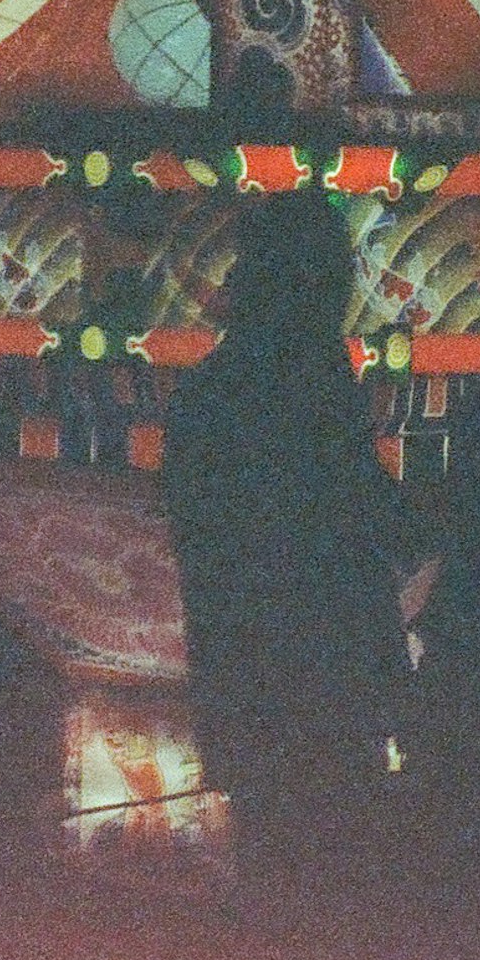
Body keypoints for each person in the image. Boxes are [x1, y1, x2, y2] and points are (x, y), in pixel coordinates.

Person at [159, 200, 406, 886]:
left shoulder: (211, 392)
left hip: (247, 687)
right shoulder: (311, 388)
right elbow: (363, 524)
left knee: (274, 881)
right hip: (325, 690)